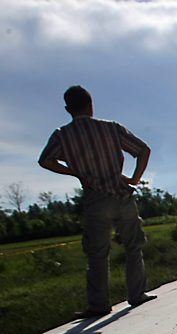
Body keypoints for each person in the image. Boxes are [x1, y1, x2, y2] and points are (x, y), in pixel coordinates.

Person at [38, 85, 156, 318]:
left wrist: (75, 172)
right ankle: (137, 294)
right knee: (133, 246)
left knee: (97, 253)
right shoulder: (110, 128)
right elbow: (143, 150)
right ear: (91, 105)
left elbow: (46, 161)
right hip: (122, 195)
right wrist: (134, 179)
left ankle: (99, 304)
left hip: (96, 199)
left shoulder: (62, 135)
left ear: (67, 109)